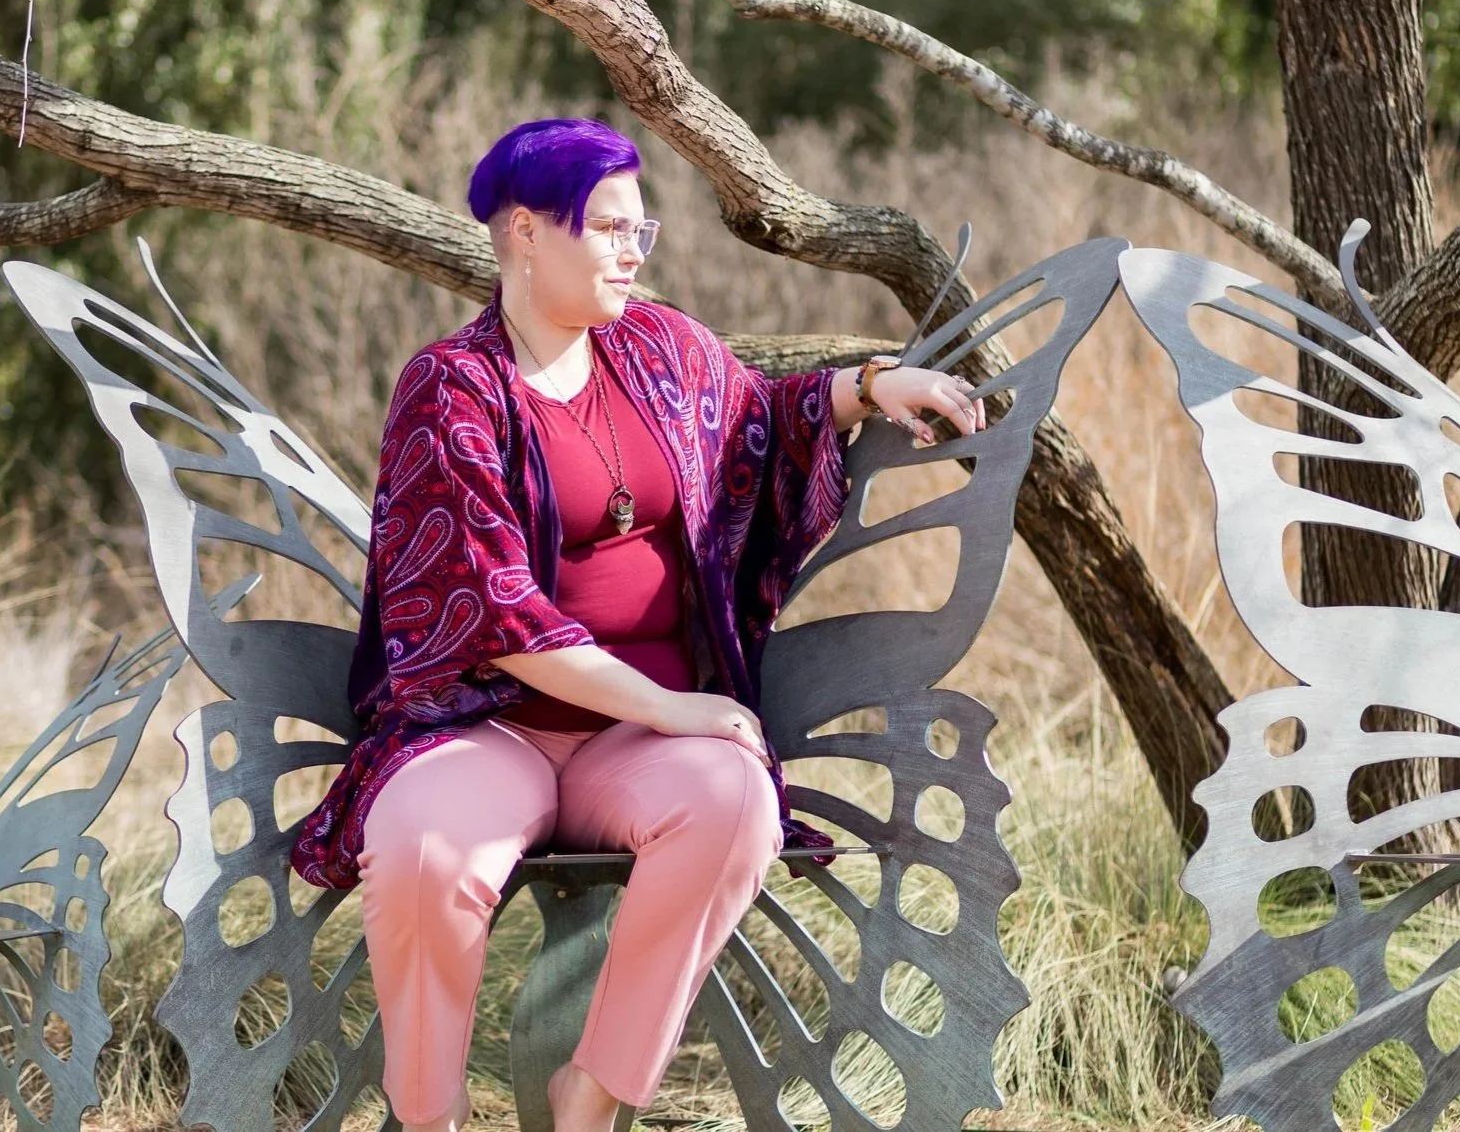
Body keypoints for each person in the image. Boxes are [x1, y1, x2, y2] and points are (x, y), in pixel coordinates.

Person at [289, 119, 987, 1132]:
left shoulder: (661, 350)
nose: (634, 252)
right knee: (424, 853)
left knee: (734, 803)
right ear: (526, 232)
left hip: (635, 745)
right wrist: (671, 705)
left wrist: (876, 384)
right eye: (610, 229)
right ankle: (429, 1115)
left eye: (640, 230)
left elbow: (761, 419)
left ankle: (593, 1094)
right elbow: (496, 610)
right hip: (489, 728)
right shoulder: (453, 387)